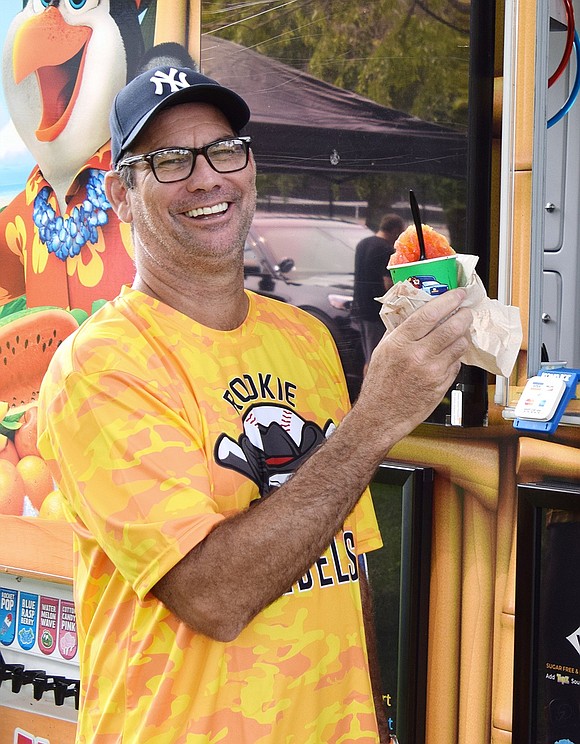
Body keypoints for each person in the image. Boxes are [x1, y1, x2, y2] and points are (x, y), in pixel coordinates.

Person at [37, 65, 472, 743]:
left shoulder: (306, 339)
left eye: (224, 150)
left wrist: (378, 719)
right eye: (170, 160)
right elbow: (214, 598)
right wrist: (378, 418)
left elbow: (346, 555)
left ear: (250, 166)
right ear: (122, 195)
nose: (207, 177)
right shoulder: (101, 368)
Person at [353, 213, 406, 371]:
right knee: (376, 359)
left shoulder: (363, 243)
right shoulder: (386, 250)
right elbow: (388, 283)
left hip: (361, 307)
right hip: (377, 311)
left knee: (369, 356)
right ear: (395, 230)